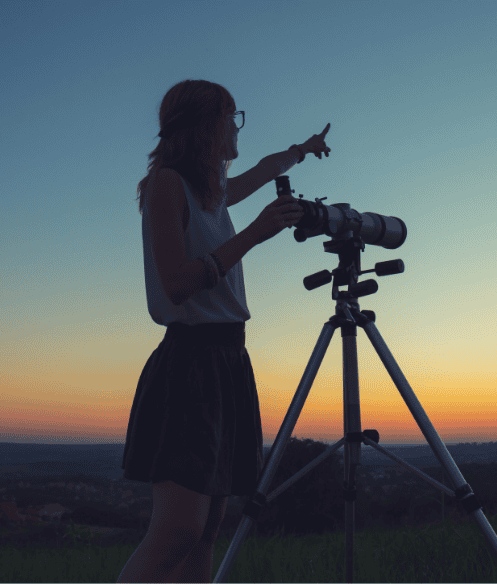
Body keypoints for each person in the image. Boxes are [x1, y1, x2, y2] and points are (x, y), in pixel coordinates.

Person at [118, 79, 328, 583]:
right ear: (203, 126)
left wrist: (302, 151)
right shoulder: (168, 185)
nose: (237, 127)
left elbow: (262, 170)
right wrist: (255, 234)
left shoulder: (211, 192)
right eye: (230, 116)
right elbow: (176, 284)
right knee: (179, 532)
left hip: (227, 360)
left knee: (207, 529)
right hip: (191, 362)